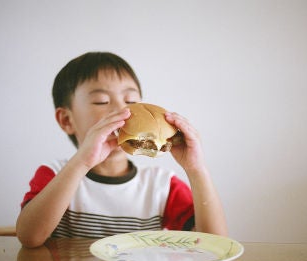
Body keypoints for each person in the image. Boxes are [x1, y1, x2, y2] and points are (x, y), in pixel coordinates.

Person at [16, 52, 227, 248]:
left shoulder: (162, 186)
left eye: (131, 100)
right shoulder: (53, 175)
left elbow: (213, 244)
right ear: (66, 120)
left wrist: (196, 169)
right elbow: (30, 237)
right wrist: (82, 162)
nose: (123, 109)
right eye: (102, 101)